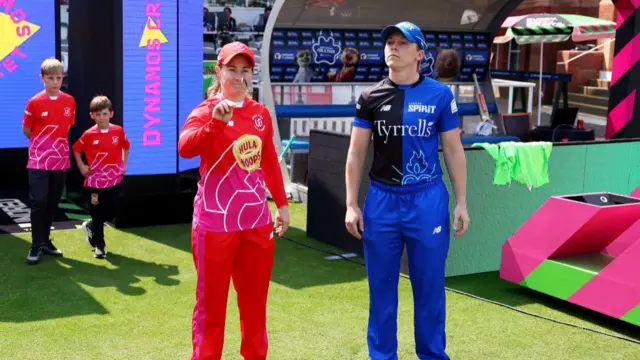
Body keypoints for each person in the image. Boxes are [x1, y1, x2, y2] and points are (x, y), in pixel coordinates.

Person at [344, 21, 470, 360]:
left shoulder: (440, 95)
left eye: (402, 43)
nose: (393, 48)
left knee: (429, 290)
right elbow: (356, 154)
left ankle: (432, 355)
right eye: (389, 42)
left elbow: (454, 150)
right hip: (382, 201)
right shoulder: (369, 97)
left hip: (427, 200)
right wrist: (351, 204)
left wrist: (462, 202)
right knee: (381, 292)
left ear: (420, 54)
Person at [178, 41, 290, 360]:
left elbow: (268, 160)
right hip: (214, 225)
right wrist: (214, 123)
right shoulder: (206, 110)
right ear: (219, 71)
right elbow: (185, 148)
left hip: (257, 224)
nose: (238, 77)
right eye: (232, 70)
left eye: (245, 71)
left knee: (255, 308)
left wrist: (281, 205)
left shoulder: (260, 114)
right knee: (211, 311)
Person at [23, 58, 76, 265]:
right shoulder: (34, 102)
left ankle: (45, 241)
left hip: (60, 159)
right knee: (39, 201)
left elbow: (67, 127)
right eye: (50, 78)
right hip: (38, 160)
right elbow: (27, 130)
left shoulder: (69, 101)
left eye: (58, 78)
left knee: (53, 201)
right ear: (42, 79)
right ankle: (35, 245)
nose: (55, 82)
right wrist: (43, 146)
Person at [72, 95, 130, 259]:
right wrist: (81, 165)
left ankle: (90, 227)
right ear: (92, 116)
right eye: (98, 115)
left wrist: (123, 164)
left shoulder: (118, 131)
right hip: (95, 181)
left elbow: (126, 146)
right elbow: (76, 148)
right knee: (97, 213)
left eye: (104, 114)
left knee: (111, 212)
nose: (101, 118)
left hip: (114, 179)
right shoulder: (88, 134)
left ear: (111, 114)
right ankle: (100, 245)